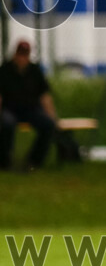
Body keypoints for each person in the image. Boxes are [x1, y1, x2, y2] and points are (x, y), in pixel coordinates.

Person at [0, 39, 57, 171]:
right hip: (10, 109)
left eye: (25, 55)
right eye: (20, 54)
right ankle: (5, 161)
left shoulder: (35, 71)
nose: (22, 58)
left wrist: (53, 116)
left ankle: (34, 161)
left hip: (31, 109)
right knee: (7, 124)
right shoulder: (5, 70)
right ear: (15, 54)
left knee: (48, 125)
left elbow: (44, 96)